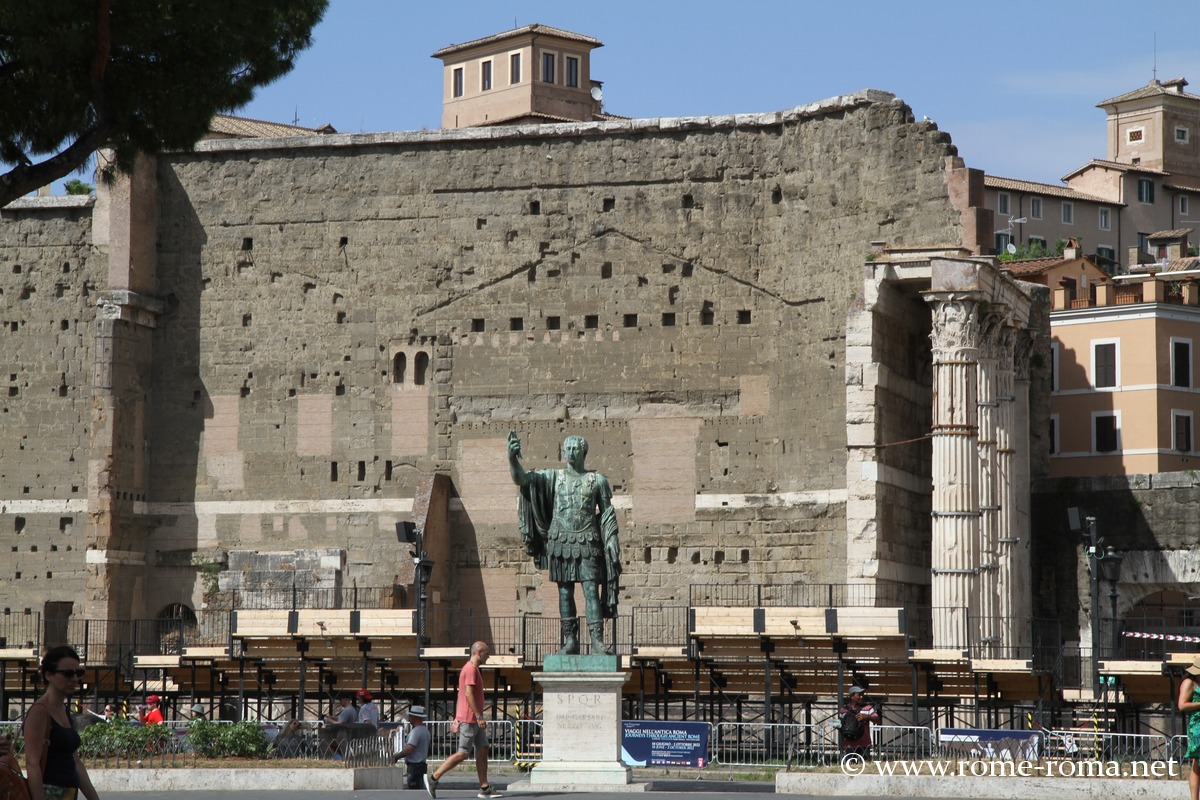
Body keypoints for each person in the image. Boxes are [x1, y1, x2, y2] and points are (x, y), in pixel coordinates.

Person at [508, 432, 621, 655]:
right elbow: (522, 480)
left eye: (574, 449)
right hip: (561, 541)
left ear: (583, 452)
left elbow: (607, 512)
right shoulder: (552, 477)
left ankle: (597, 641)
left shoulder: (597, 481)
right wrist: (512, 458)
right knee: (564, 593)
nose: (569, 452)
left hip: (589, 540)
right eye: (566, 449)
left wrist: (612, 538)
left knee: (590, 590)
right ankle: (570, 641)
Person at [23, 645, 101, 800]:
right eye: (67, 673)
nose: (74, 679)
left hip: (68, 793)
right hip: (50, 793)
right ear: (49, 675)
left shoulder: (63, 710)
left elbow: (74, 760)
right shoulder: (40, 711)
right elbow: (32, 764)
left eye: (78, 673)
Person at [425, 642, 499, 799]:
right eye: (487, 653)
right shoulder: (471, 669)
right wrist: (478, 716)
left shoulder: (472, 668)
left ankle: (484, 787)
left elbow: (462, 695)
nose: (488, 656)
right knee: (463, 753)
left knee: (483, 747)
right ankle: (433, 778)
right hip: (471, 719)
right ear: (478, 653)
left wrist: (457, 717)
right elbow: (468, 694)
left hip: (470, 718)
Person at [838, 686, 879, 760]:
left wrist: (867, 717)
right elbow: (841, 725)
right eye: (858, 695)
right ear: (852, 696)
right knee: (850, 767)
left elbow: (877, 720)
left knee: (865, 767)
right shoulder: (843, 710)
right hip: (849, 744)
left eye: (862, 694)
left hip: (864, 744)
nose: (861, 696)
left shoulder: (868, 708)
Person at [395, 705, 431, 790]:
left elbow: (409, 749)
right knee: (419, 789)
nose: (409, 718)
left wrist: (397, 756)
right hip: (422, 765)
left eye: (410, 716)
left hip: (414, 767)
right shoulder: (425, 731)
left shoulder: (416, 732)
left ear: (415, 717)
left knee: (414, 790)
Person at [1179, 657, 1200, 800]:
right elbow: (1182, 705)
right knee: (1197, 760)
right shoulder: (1188, 683)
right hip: (1197, 726)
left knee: (1197, 762)